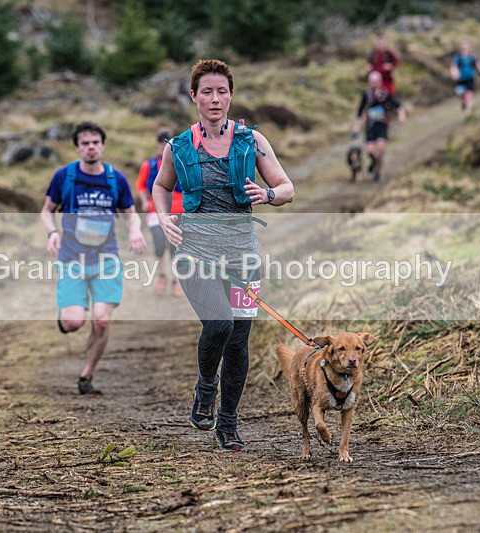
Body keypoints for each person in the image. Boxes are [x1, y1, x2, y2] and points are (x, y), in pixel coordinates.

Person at [151, 59, 295, 452]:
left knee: (238, 341)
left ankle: (228, 424)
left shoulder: (253, 141)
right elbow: (161, 186)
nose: (215, 99)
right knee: (219, 325)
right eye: (207, 92)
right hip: (194, 252)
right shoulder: (177, 146)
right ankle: (205, 387)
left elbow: (286, 187)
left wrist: (267, 194)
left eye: (223, 91)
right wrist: (163, 220)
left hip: (242, 256)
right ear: (194, 96)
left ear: (231, 95)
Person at [40, 121, 147, 396]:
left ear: (102, 145)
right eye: (85, 143)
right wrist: (52, 233)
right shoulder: (64, 176)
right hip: (72, 258)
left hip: (106, 257)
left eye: (95, 143)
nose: (90, 148)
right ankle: (66, 317)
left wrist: (135, 231)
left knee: (101, 321)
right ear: (77, 147)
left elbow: (130, 213)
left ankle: (86, 376)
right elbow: (46, 210)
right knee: (74, 323)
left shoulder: (116, 179)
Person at [136, 130, 184, 297]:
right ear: (158, 145)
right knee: (158, 245)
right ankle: (162, 276)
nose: (165, 146)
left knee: (175, 248)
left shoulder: (183, 162)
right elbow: (141, 186)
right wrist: (143, 201)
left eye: (168, 142)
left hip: (179, 212)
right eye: (162, 143)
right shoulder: (149, 165)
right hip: (156, 211)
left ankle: (175, 281)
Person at [351, 71, 406, 182]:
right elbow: (360, 111)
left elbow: (398, 105)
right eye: (372, 82)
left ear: (380, 82)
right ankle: (374, 162)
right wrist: (356, 126)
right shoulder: (367, 95)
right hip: (370, 125)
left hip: (382, 124)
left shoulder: (385, 94)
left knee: (381, 147)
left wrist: (401, 115)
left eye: (376, 82)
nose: (374, 84)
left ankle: (378, 171)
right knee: (370, 150)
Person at [449, 41, 480, 116]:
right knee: (461, 93)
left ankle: (468, 111)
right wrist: (454, 73)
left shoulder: (473, 56)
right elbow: (453, 66)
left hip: (470, 77)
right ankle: (464, 104)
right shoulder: (458, 57)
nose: (465, 50)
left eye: (466, 48)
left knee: (469, 94)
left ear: (470, 48)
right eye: (463, 48)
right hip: (460, 79)